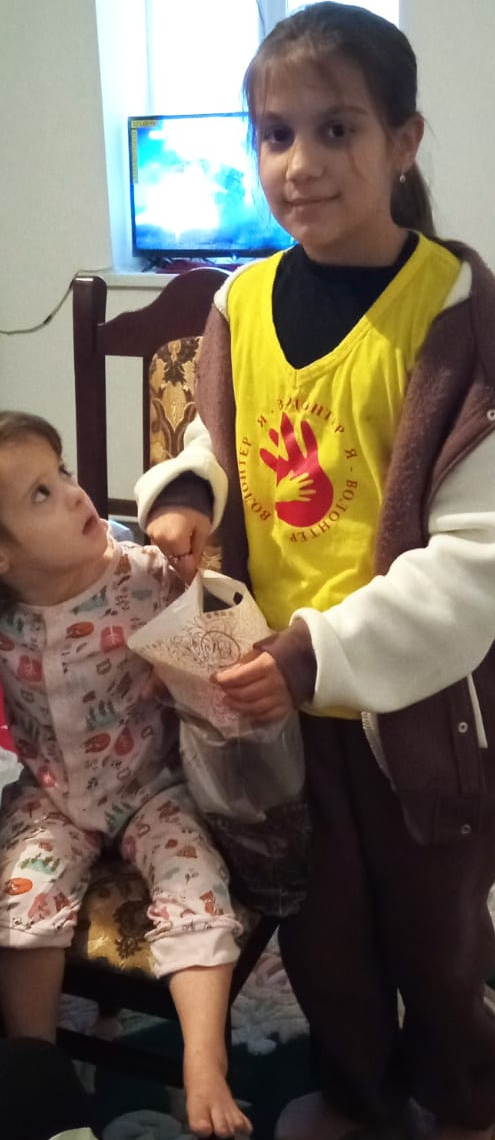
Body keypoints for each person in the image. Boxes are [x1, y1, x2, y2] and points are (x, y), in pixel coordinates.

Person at [134, 4, 495, 1139]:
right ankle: (356, 1098)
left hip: (413, 707)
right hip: (268, 703)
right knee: (319, 931)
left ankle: (463, 1097)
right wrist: (189, 497)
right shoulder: (238, 302)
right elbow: (220, 438)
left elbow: (476, 556)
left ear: (403, 140)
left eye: (337, 129)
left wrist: (313, 655)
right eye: (275, 134)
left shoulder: (455, 313)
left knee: (437, 936)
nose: (300, 163)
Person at [0, 410, 252, 1140]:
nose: (73, 492)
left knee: (198, 885)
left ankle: (203, 1061)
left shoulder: (143, 577)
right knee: (22, 908)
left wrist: (201, 595)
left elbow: (228, 629)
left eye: (61, 472)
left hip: (153, 787)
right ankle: (31, 1066)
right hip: (51, 796)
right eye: (40, 493)